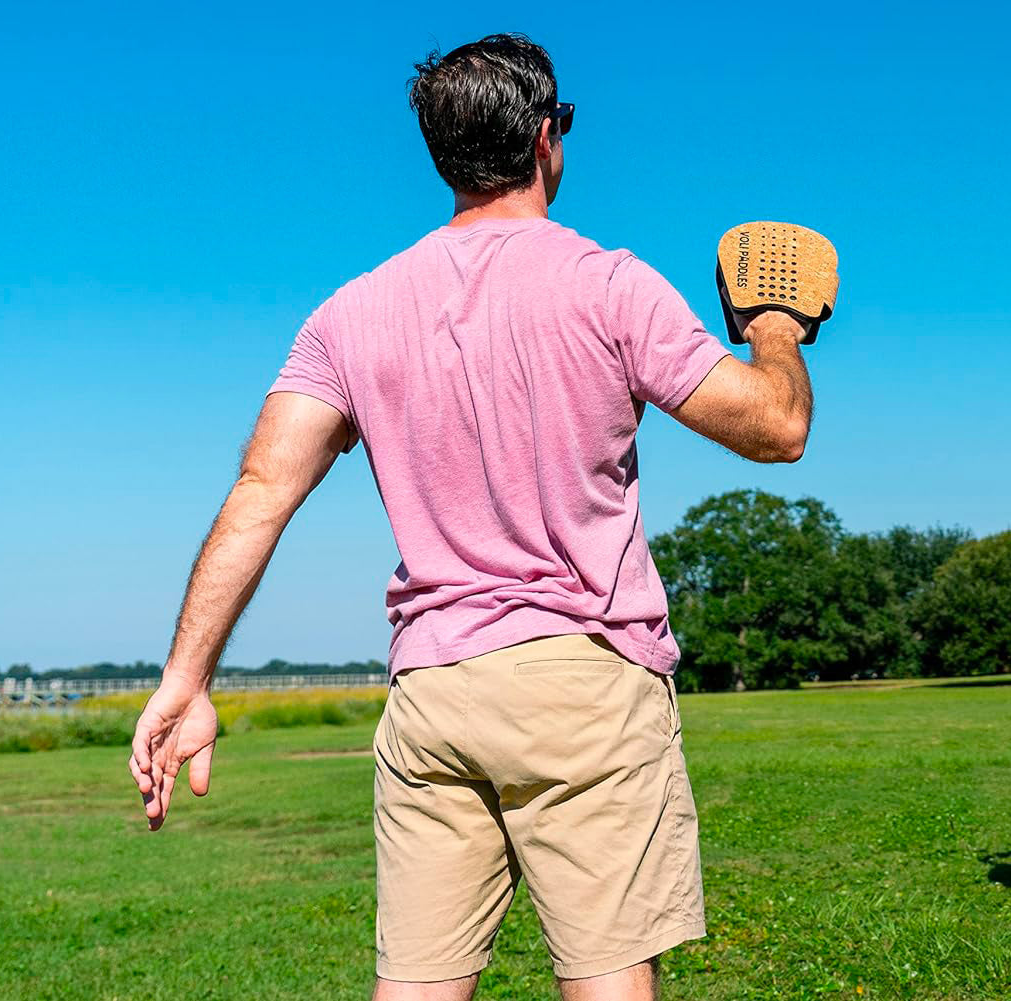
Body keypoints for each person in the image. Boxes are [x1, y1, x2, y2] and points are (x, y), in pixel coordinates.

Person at [128, 33, 817, 1001]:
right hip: (584, 680)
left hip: (433, 696)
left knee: (414, 986)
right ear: (547, 139)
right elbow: (776, 425)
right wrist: (775, 333)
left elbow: (260, 490)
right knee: (608, 978)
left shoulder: (350, 314)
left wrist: (185, 676)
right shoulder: (608, 284)